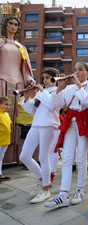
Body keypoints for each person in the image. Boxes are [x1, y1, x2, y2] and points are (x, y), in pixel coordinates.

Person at [45, 62, 88, 208]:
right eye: (75, 70)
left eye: (80, 70)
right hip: (70, 122)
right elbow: (56, 104)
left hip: (83, 122)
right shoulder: (69, 87)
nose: (77, 72)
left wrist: (78, 85)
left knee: (81, 157)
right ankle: (63, 193)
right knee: (67, 157)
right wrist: (60, 88)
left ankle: (80, 190)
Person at [19, 68, 60, 203]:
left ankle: (45, 189)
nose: (45, 80)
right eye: (44, 78)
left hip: (49, 125)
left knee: (43, 156)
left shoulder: (57, 91)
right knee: (24, 156)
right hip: (36, 125)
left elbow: (52, 105)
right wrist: (27, 96)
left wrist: (40, 90)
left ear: (55, 78)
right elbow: (31, 110)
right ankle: (43, 179)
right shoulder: (41, 93)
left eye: (48, 77)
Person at [0, 12, 34, 163]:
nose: (13, 27)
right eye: (10, 23)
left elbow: (25, 69)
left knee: (15, 119)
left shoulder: (21, 47)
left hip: (18, 84)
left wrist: (29, 79)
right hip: (1, 81)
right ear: (4, 25)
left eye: (16, 24)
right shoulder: (1, 43)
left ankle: (12, 157)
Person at [0, 96, 11, 181]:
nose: (8, 106)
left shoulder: (6, 114)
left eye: (9, 105)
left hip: (5, 139)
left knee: (1, 157)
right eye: (5, 104)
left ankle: (0, 173)